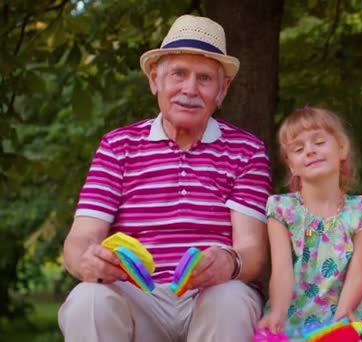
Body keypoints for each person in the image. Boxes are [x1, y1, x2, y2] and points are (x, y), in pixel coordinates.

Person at [58, 15, 272, 342]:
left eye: (204, 78)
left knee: (231, 298)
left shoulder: (247, 150)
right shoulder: (117, 146)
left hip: (208, 295)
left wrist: (230, 261)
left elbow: (252, 252)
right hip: (135, 297)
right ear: (155, 79)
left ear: (222, 90)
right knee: (87, 300)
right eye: (178, 74)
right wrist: (88, 260)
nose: (190, 89)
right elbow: (79, 241)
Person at [256, 106, 362, 341]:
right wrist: (278, 313)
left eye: (319, 142)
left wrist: (341, 321)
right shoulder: (282, 209)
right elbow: (282, 271)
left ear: (342, 148)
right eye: (299, 149)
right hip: (293, 320)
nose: (310, 151)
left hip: (346, 316)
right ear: (291, 165)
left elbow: (357, 275)